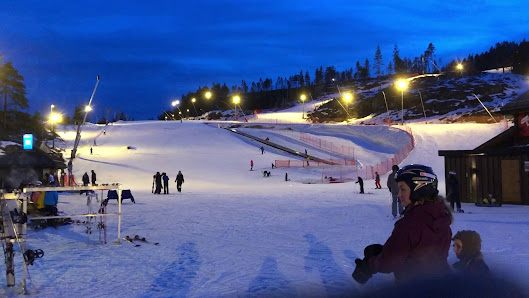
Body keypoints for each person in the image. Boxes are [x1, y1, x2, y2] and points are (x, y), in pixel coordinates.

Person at [353, 164, 453, 284]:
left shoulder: (409, 224)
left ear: (419, 190)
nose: (399, 194)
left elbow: (389, 262)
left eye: (403, 189)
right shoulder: (441, 217)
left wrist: (369, 265)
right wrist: (387, 250)